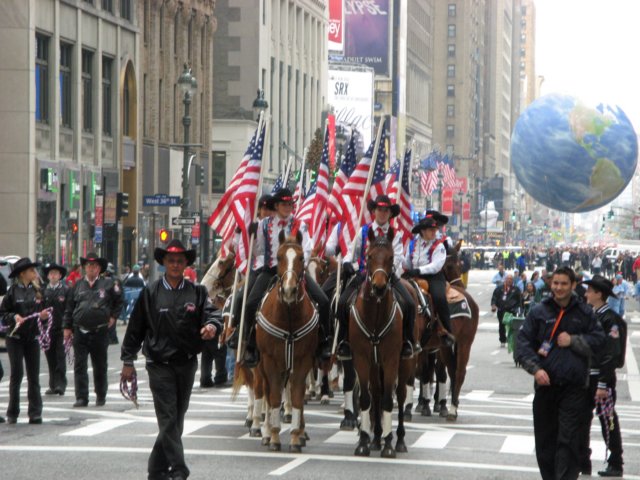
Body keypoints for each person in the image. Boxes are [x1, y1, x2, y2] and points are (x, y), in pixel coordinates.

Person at [121, 239, 221, 480]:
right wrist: (127, 361)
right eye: (171, 261)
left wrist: (211, 326)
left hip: (186, 364)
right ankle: (179, 470)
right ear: (163, 263)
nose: (175, 265)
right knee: (167, 418)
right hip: (159, 365)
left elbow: (212, 315)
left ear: (186, 264)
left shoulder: (197, 292)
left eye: (179, 261)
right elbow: (135, 328)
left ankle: (156, 469)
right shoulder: (150, 293)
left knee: (176, 419)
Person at [516, 267, 605, 480]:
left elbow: (600, 340)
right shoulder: (539, 311)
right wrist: (535, 369)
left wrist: (574, 341)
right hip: (546, 388)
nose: (559, 288)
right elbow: (523, 343)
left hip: (574, 389)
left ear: (573, 285)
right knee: (545, 444)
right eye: (555, 283)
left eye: (564, 283)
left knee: (568, 442)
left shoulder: (584, 313)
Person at [233, 188, 331, 366]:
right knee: (249, 303)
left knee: (323, 301)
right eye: (284, 204)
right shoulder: (264, 225)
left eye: (290, 204)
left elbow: (307, 248)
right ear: (276, 206)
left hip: (295, 271)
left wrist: (297, 266)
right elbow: (258, 251)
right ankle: (251, 344)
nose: (288, 207)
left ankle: (323, 341)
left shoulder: (300, 225)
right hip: (271, 270)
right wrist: (252, 236)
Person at [337, 195, 416, 359]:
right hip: (365, 274)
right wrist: (346, 262)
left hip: (388, 275)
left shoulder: (396, 234)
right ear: (374, 211)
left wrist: (386, 273)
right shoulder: (364, 231)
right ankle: (343, 340)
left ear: (390, 214)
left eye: (386, 210)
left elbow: (399, 257)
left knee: (409, 303)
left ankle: (408, 341)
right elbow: (352, 250)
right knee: (342, 302)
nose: (382, 213)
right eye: (379, 209)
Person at [63, 253, 124, 407]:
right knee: (80, 366)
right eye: (89, 266)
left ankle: (101, 395)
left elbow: (119, 300)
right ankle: (81, 397)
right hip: (80, 331)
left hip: (100, 331)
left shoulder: (109, 284)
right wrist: (67, 327)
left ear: (99, 269)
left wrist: (113, 317)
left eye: (95, 266)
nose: (91, 268)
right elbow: (69, 307)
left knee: (100, 365)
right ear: (84, 268)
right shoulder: (77, 285)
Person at [581, 275, 624, 477]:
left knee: (608, 421)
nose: (586, 293)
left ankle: (616, 462)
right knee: (582, 420)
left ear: (599, 294)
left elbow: (612, 354)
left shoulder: (611, 320)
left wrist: (603, 383)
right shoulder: (593, 315)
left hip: (600, 380)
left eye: (589, 290)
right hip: (586, 376)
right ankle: (583, 460)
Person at [0, 257, 47, 424]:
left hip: (32, 337)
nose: (35, 273)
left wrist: (43, 317)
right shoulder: (11, 292)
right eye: (31, 270)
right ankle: (12, 412)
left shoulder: (38, 291)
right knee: (17, 374)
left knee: (33, 376)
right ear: (23, 273)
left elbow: (45, 312)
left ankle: (35, 412)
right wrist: (14, 317)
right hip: (15, 338)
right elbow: (3, 314)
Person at [403, 212, 454, 347]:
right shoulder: (413, 244)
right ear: (422, 231)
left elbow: (436, 266)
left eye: (435, 229)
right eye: (431, 230)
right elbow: (407, 262)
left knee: (438, 297)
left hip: (433, 277)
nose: (434, 232)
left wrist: (419, 270)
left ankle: (447, 330)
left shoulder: (439, 245)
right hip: (413, 275)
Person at [42, 263, 70, 396]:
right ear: (48, 276)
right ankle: (52, 384)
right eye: (51, 273)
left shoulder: (65, 290)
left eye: (55, 273)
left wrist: (69, 327)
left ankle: (60, 384)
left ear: (60, 276)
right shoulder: (43, 291)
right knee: (50, 357)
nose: (53, 275)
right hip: (47, 330)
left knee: (60, 357)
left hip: (61, 329)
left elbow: (69, 310)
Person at [491, 274, 521, 347]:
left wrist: (518, 309)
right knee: (502, 326)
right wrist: (493, 305)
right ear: (505, 280)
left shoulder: (516, 289)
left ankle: (511, 340)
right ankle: (503, 340)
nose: (509, 280)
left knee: (512, 326)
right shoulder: (499, 288)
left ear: (512, 280)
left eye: (511, 279)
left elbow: (519, 300)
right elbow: (494, 297)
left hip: (511, 310)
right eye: (508, 279)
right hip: (501, 310)